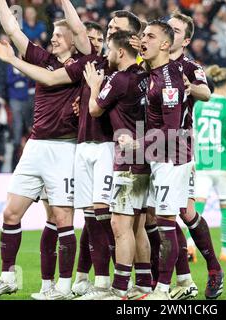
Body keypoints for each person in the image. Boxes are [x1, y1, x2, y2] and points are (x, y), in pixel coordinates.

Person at [0, 0, 94, 300]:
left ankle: (64, 287)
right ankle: (8, 277)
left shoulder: (83, 64)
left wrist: (12, 60)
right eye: (54, 35)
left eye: (59, 35)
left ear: (73, 40)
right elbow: (12, 29)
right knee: (10, 212)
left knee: (62, 219)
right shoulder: (42, 58)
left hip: (64, 150)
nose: (53, 38)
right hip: (35, 147)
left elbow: (48, 78)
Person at [84, 30, 152, 300]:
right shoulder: (145, 77)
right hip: (147, 156)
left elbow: (94, 110)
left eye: (109, 49)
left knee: (120, 225)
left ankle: (120, 289)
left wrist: (93, 86)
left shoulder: (120, 79)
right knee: (138, 226)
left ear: (120, 52)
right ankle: (144, 284)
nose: (106, 55)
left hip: (127, 159)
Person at [167, 12, 223, 301]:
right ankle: (182, 280)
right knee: (155, 213)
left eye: (175, 30)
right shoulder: (148, 61)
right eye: (167, 27)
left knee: (183, 211)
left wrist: (191, 87)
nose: (169, 32)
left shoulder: (189, 67)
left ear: (186, 39)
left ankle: (213, 268)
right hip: (147, 141)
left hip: (178, 143)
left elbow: (206, 92)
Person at [139, 20, 188, 300]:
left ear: (166, 44)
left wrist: (137, 142)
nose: (143, 40)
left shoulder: (169, 79)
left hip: (172, 157)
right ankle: (183, 281)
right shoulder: (154, 72)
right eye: (143, 35)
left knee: (166, 220)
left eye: (150, 36)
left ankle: (163, 288)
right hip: (158, 157)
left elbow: (170, 131)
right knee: (160, 219)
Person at [193, 65, 226, 263]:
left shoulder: (199, 104)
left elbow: (194, 134)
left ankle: (189, 246)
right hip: (222, 162)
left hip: (202, 161)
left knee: (196, 208)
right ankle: (225, 250)